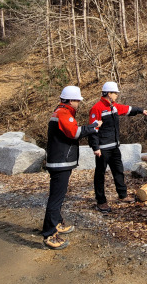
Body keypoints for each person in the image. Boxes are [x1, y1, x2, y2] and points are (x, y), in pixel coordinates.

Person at [42, 85, 102, 250]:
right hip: (60, 163)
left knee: (59, 197)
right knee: (56, 199)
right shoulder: (63, 113)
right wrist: (93, 126)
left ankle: (57, 223)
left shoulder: (63, 112)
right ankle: (49, 234)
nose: (78, 103)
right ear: (69, 100)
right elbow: (75, 133)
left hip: (61, 161)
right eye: (76, 100)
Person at [88, 81, 147, 213]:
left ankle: (122, 195)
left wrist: (140, 110)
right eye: (115, 93)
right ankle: (101, 201)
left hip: (114, 147)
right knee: (100, 175)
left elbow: (127, 109)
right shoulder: (97, 108)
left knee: (118, 171)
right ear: (108, 94)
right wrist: (95, 147)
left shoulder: (113, 107)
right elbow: (93, 129)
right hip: (103, 149)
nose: (116, 95)